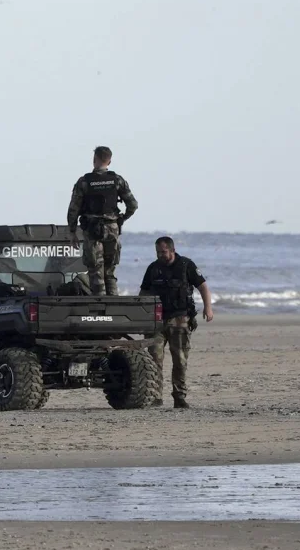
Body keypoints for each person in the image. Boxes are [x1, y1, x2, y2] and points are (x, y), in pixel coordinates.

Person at [139, 236, 214, 408]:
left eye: (163, 252)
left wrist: (208, 308)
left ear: (172, 250)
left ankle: (179, 396)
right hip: (156, 321)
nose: (160, 255)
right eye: (157, 252)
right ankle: (155, 396)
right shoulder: (153, 268)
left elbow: (203, 287)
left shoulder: (186, 266)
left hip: (179, 319)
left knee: (180, 361)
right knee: (154, 359)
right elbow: (143, 293)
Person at [66, 146, 138, 295]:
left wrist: (72, 231)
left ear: (94, 160)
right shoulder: (117, 180)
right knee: (110, 272)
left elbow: (74, 208)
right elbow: (133, 204)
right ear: (109, 161)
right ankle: (114, 308)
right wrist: (121, 219)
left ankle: (100, 311)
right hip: (112, 229)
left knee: (95, 271)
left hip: (93, 230)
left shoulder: (84, 182)